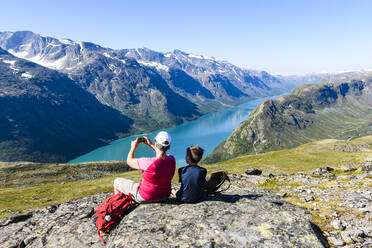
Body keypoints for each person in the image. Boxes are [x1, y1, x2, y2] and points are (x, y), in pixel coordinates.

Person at [114, 131, 176, 203]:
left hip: (146, 197)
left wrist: (133, 147)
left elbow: (129, 161)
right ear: (168, 146)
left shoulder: (148, 162)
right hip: (165, 195)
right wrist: (150, 145)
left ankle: (118, 206)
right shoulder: (172, 159)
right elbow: (161, 153)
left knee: (117, 182)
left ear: (156, 143)